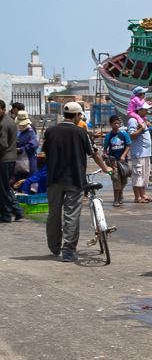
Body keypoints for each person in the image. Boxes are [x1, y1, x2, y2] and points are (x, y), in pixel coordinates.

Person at [40, 102, 114, 260]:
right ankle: (68, 251)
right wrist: (106, 168)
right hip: (74, 180)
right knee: (71, 215)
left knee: (53, 214)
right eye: (80, 115)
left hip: (53, 179)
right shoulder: (81, 132)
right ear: (76, 115)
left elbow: (44, 153)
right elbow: (95, 154)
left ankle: (54, 248)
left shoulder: (50, 131)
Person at [0, 100, 25, 223]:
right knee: (5, 187)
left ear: (3, 109)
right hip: (9, 158)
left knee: (3, 188)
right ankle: (17, 210)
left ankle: (6, 214)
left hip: (4, 159)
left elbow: (2, 144)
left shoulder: (4, 123)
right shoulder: (8, 121)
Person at [126, 99, 152, 203]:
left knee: (144, 174)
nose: (147, 112)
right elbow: (131, 135)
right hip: (139, 153)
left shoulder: (141, 120)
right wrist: (142, 128)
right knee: (138, 174)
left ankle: (143, 195)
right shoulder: (133, 120)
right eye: (145, 110)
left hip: (145, 152)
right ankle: (137, 197)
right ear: (139, 109)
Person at [102, 115, 132, 207]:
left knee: (124, 180)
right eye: (114, 123)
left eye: (118, 123)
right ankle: (115, 199)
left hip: (123, 161)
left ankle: (120, 194)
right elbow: (105, 149)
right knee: (116, 179)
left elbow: (128, 145)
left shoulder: (123, 134)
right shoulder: (108, 135)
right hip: (114, 162)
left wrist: (123, 155)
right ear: (110, 124)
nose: (116, 125)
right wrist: (107, 159)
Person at [14, 111, 38, 183]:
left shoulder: (30, 132)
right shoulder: (16, 131)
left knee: (28, 182)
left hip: (28, 161)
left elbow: (33, 145)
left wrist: (21, 149)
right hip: (17, 161)